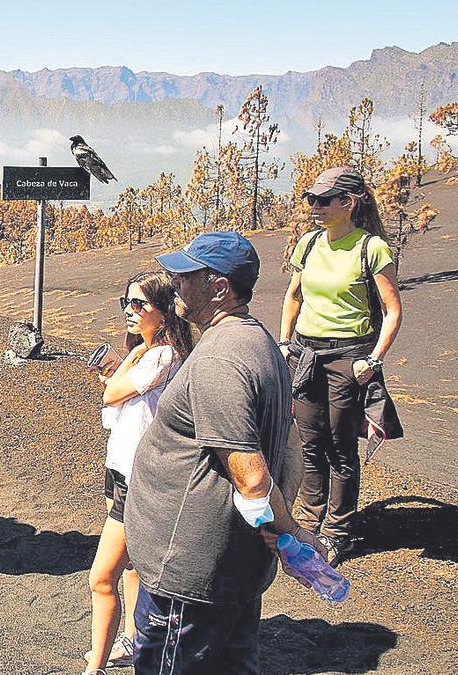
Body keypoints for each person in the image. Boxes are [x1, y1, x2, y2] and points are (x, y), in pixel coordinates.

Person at [124, 232, 322, 674]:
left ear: (219, 289)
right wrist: (281, 528)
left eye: (187, 276)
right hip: (224, 570)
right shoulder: (260, 342)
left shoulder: (220, 360)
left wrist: (290, 532)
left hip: (189, 579)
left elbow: (251, 477)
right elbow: (290, 442)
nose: (175, 284)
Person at [280, 166, 404, 565]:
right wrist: (285, 342)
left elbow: (392, 310)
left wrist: (373, 359)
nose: (314, 206)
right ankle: (307, 524)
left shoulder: (371, 248)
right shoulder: (309, 243)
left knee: (340, 446)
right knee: (309, 442)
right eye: (311, 199)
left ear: (348, 203)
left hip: (347, 358)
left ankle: (338, 532)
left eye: (322, 200)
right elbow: (294, 295)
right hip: (306, 354)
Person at [83, 271, 192, 675]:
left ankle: (95, 665)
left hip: (138, 476)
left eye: (139, 305)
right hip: (121, 466)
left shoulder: (161, 357)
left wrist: (125, 361)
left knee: (101, 577)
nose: (130, 311)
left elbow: (112, 394)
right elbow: (115, 408)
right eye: (126, 303)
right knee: (131, 565)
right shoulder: (150, 353)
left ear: (163, 312)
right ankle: (133, 639)